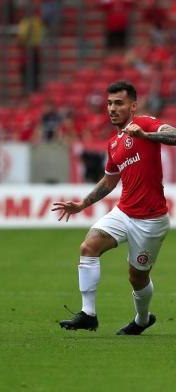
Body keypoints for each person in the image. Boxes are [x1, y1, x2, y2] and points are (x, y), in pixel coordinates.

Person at [52, 80, 176, 335]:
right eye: (109, 103)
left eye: (118, 103)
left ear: (133, 105)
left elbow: (173, 134)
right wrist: (82, 204)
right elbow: (110, 180)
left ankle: (142, 320)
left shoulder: (144, 123)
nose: (112, 108)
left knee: (137, 277)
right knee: (88, 246)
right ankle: (88, 314)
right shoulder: (114, 142)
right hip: (124, 212)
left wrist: (147, 136)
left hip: (151, 220)